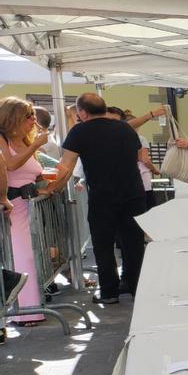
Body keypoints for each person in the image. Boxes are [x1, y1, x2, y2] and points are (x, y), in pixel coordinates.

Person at [55, 93, 146, 304]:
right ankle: (135, 287)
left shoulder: (79, 131)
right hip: (133, 193)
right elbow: (137, 156)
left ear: (83, 112)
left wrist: (54, 187)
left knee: (103, 244)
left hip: (102, 196)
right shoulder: (125, 128)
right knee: (133, 243)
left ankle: (109, 292)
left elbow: (66, 165)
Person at [0, 97, 49, 323]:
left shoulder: (26, 141)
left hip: (30, 208)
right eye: (28, 116)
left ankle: (31, 307)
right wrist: (36, 145)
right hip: (14, 207)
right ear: (13, 119)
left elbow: (32, 170)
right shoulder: (3, 140)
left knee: (32, 256)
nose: (33, 119)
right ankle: (22, 311)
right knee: (22, 256)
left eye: (32, 115)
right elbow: (10, 165)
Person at [108, 107, 161, 209]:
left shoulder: (114, 140)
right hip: (141, 180)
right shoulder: (140, 138)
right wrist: (154, 170)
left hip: (121, 183)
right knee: (147, 209)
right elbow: (144, 159)